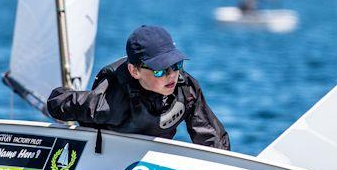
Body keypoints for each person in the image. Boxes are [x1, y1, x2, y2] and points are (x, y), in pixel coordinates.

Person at [47, 25, 230, 150]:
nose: (172, 75)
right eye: (160, 70)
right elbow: (56, 102)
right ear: (134, 71)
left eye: (176, 65)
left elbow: (212, 139)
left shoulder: (186, 90)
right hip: (104, 161)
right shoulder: (109, 101)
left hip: (148, 165)